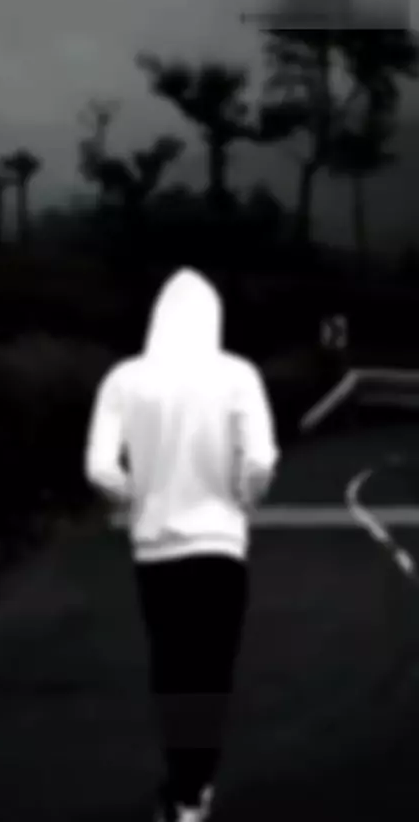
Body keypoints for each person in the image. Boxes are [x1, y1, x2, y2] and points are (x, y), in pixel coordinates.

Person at [84, 268, 280, 822]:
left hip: (156, 555)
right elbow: (260, 461)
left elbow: (99, 467)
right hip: (222, 549)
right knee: (212, 669)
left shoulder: (124, 379)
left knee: (171, 668)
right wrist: (243, 501)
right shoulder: (238, 375)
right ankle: (198, 787)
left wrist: (134, 499)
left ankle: (182, 787)